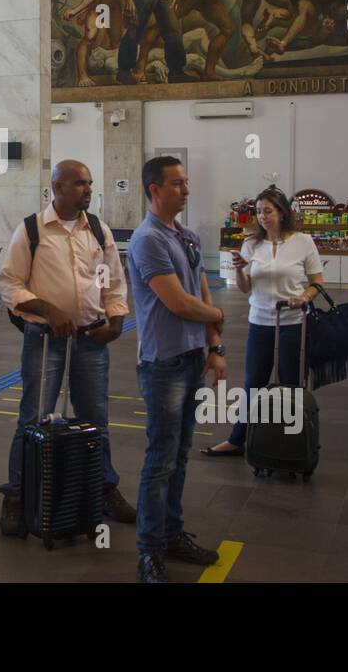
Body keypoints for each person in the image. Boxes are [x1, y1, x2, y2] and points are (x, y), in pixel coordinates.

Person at [0, 159, 134, 535]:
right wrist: (47, 308)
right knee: (33, 418)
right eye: (79, 184)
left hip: (91, 341)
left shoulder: (98, 230)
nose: (87, 190)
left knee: (96, 421)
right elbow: (8, 283)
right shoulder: (31, 230)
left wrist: (117, 319)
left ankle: (104, 489)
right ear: (56, 187)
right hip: (45, 340)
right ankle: (17, 496)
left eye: (89, 183)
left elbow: (114, 281)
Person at [127, 155, 227, 582]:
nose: (186, 190)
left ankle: (172, 533)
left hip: (191, 358)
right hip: (163, 362)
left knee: (181, 455)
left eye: (186, 183)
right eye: (178, 184)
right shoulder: (148, 240)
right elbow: (179, 303)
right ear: (155, 190)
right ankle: (149, 550)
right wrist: (216, 313)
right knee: (161, 460)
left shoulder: (184, 235)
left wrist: (215, 344)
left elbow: (200, 286)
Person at [204, 186, 325, 456]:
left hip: (293, 322)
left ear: (282, 212)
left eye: (267, 211)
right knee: (253, 383)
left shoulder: (303, 241)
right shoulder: (251, 244)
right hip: (260, 320)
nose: (262, 216)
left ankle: (290, 441)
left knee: (290, 382)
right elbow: (246, 288)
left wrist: (304, 296)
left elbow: (317, 282)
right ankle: (239, 439)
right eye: (258, 211)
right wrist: (239, 271)